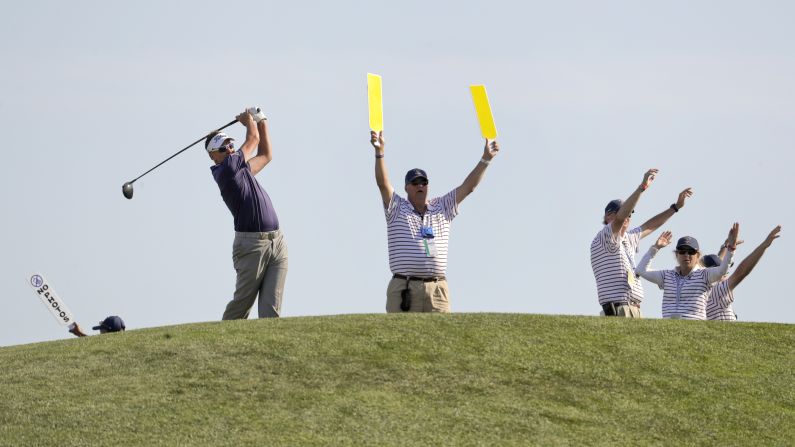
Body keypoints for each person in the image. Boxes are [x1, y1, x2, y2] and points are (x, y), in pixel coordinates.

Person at [369, 130, 499, 312]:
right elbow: (383, 183)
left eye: (423, 182)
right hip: (404, 288)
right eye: (415, 183)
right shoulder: (397, 207)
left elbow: (469, 187)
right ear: (406, 187)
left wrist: (486, 159)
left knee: (441, 339)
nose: (420, 186)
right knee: (400, 338)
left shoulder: (442, 206)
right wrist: (379, 152)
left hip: (437, 289)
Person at [206, 108, 288, 320]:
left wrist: (262, 120)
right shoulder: (227, 171)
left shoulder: (239, 169)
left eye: (231, 144)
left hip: (276, 242)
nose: (231, 149)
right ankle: (220, 344)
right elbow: (252, 139)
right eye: (225, 147)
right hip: (252, 246)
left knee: (271, 309)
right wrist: (248, 120)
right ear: (214, 155)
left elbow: (265, 155)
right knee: (241, 306)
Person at [590, 169, 693, 318]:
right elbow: (619, 219)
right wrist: (641, 188)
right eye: (624, 212)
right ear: (607, 216)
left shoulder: (629, 238)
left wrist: (675, 207)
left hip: (634, 309)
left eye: (630, 213)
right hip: (618, 310)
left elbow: (650, 225)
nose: (627, 216)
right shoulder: (605, 236)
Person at [636, 224, 739, 320]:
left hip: (694, 330)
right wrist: (656, 248)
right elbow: (641, 270)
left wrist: (731, 249)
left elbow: (722, 270)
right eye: (682, 251)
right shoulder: (667, 275)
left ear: (698, 255)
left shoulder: (704, 275)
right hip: (668, 329)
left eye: (691, 252)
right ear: (677, 255)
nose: (686, 255)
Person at [703, 226, 781, 321]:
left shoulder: (701, 288)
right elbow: (742, 272)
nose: (725, 274)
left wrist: (726, 245)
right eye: (723, 273)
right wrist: (764, 245)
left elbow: (720, 260)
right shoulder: (717, 291)